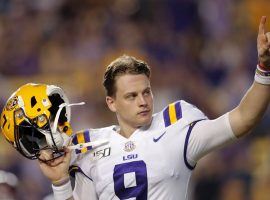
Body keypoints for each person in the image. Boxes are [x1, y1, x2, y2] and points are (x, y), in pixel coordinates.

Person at [1, 16, 270, 200]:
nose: (142, 101)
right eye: (131, 96)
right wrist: (60, 183)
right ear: (111, 102)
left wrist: (264, 70)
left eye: (146, 92)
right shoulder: (87, 146)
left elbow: (243, 118)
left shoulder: (176, 123)